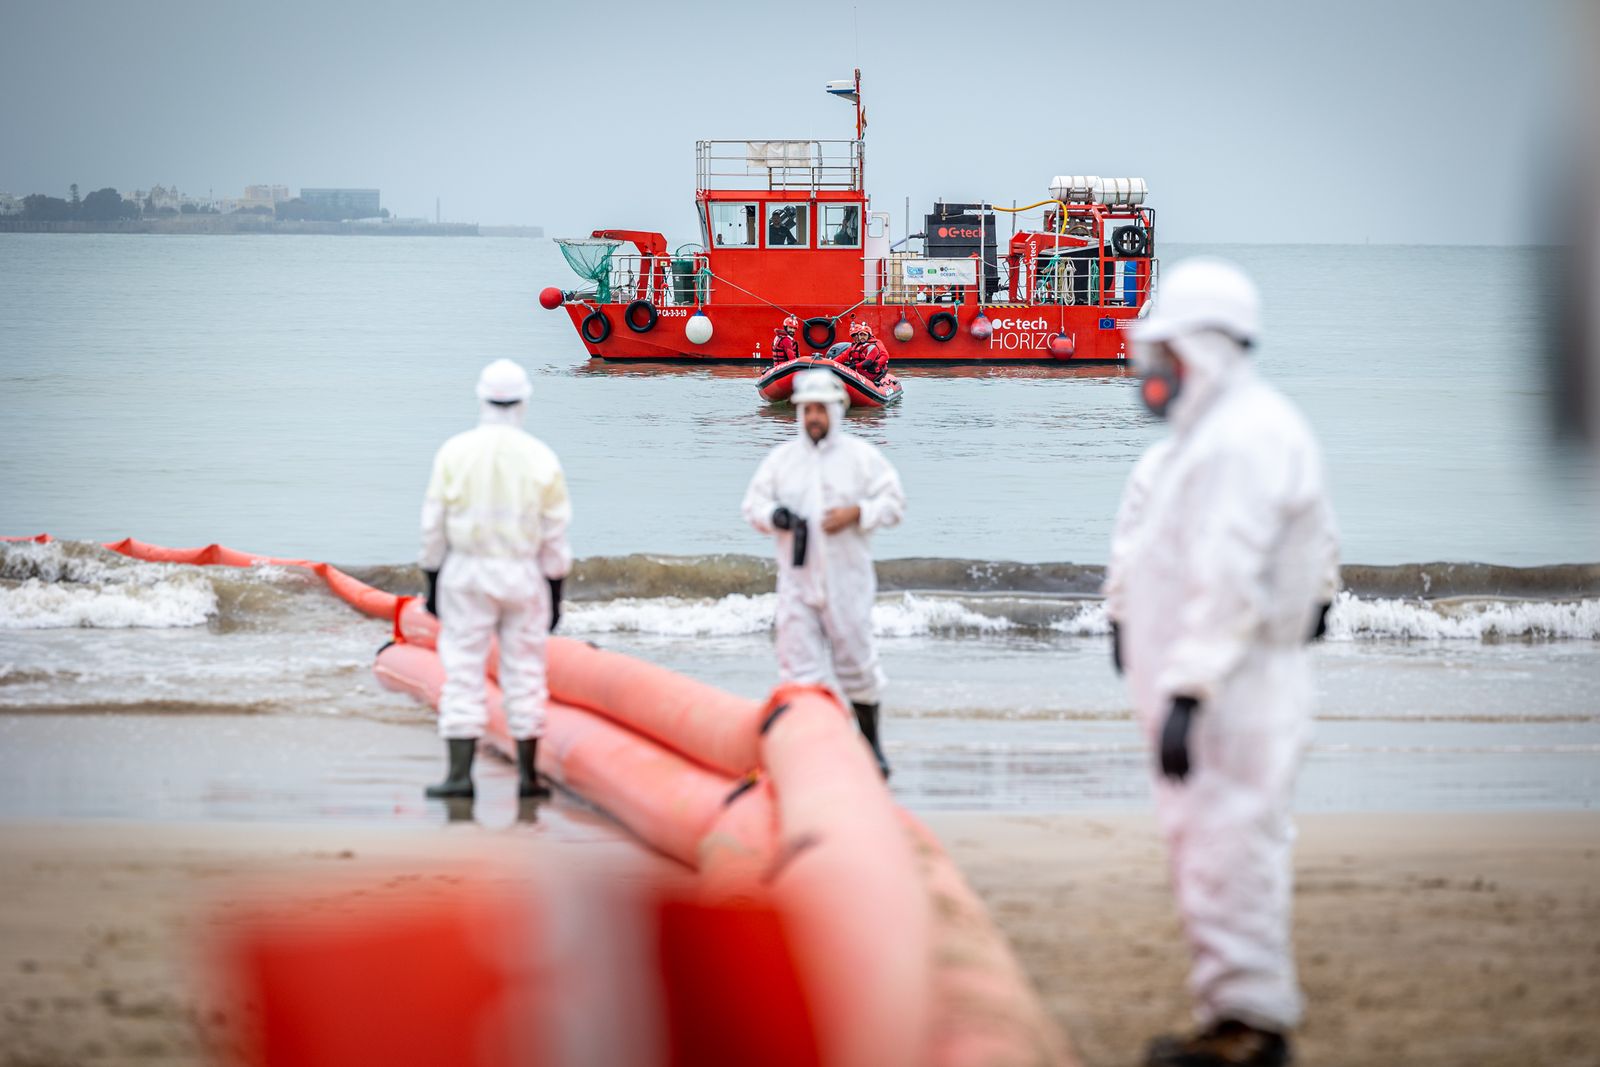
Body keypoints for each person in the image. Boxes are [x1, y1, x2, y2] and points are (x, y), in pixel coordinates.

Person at [1104, 258, 1339, 1067]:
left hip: (1232, 689)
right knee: (1213, 842)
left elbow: (1233, 576)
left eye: (1162, 353)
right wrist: (1126, 620)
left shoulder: (1243, 439)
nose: (1150, 371)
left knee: (1229, 843)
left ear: (1196, 349)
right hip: (1219, 683)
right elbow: (1157, 551)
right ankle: (1233, 1010)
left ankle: (1248, 1022)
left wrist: (1190, 687)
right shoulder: (1212, 439)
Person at [419, 358, 573, 802]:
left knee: (463, 671)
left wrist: (432, 582)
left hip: (465, 572)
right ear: (524, 401)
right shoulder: (541, 455)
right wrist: (556, 591)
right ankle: (528, 778)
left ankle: (459, 777)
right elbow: (554, 533)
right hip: (523, 573)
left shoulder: (455, 451)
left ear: (481, 399)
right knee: (525, 672)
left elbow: (433, 526)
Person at [741, 369, 905, 776]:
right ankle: (809, 755)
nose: (813, 416)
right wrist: (774, 516)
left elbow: (894, 503)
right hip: (796, 581)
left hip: (847, 579)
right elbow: (752, 507)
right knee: (797, 669)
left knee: (857, 664)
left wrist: (857, 513)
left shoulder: (861, 458)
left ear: (836, 409)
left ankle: (872, 746)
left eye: (820, 409)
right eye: (807, 409)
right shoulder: (782, 460)